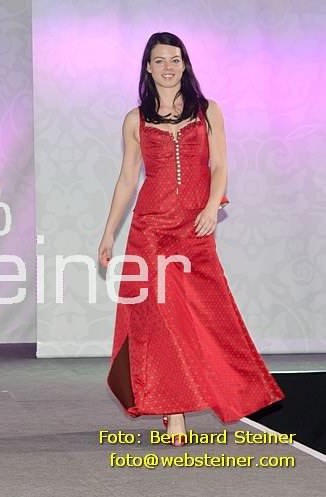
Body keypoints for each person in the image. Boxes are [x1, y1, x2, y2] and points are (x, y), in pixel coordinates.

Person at [98, 32, 283, 445]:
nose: (168, 67)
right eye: (159, 60)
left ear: (185, 64)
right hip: (149, 230)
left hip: (195, 229)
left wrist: (212, 207)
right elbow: (128, 179)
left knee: (209, 315)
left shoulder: (207, 111)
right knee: (159, 318)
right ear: (148, 68)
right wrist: (108, 233)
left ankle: (227, 390)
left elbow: (219, 166)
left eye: (175, 59)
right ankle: (174, 409)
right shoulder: (135, 120)